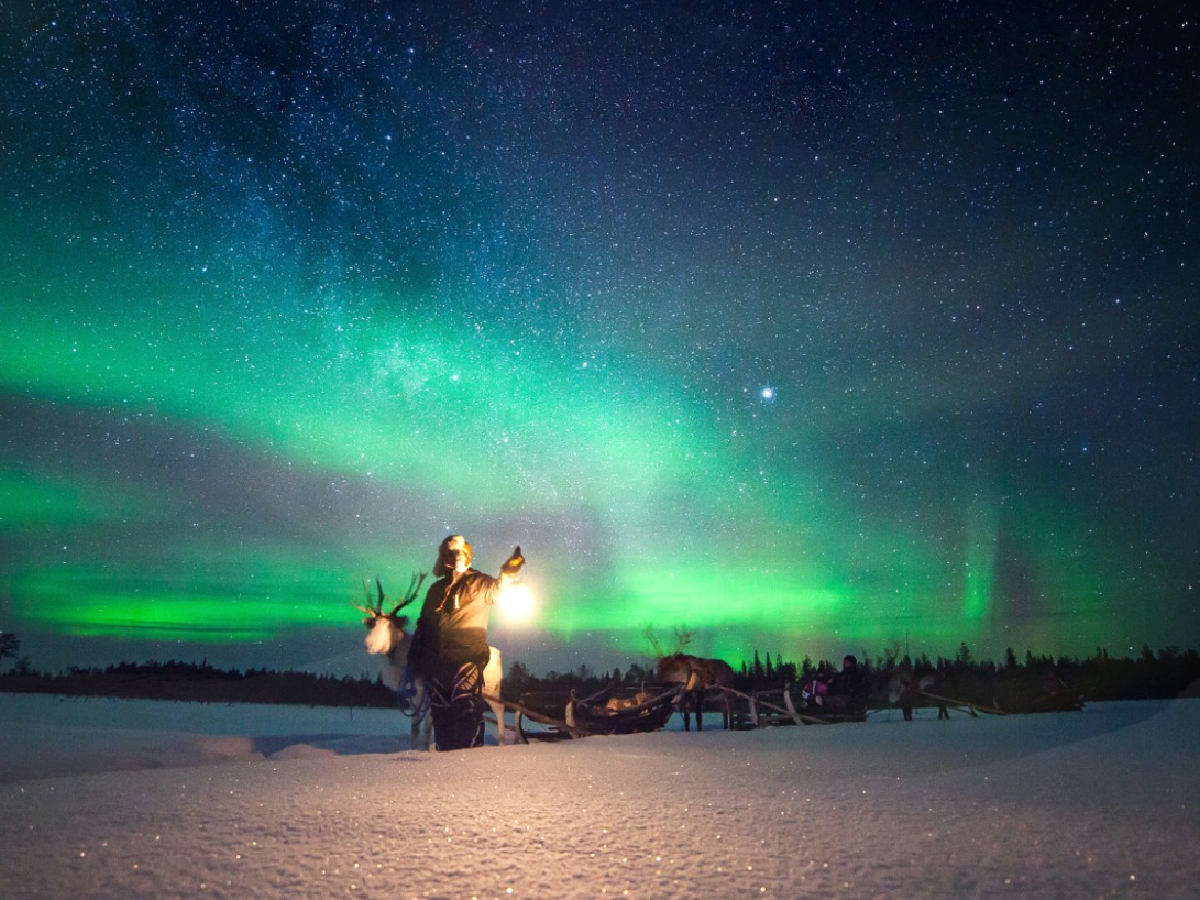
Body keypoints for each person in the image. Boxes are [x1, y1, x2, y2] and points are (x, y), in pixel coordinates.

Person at [408, 535, 523, 750]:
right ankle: (447, 763)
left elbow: (498, 590)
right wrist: (415, 656)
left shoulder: (479, 582)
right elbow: (423, 625)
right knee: (441, 712)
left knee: (465, 706)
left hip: (468, 657)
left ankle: (468, 761)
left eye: (459, 553)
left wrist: (508, 572)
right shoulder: (436, 590)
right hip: (438, 663)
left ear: (467, 555)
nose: (455, 557)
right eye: (449, 554)